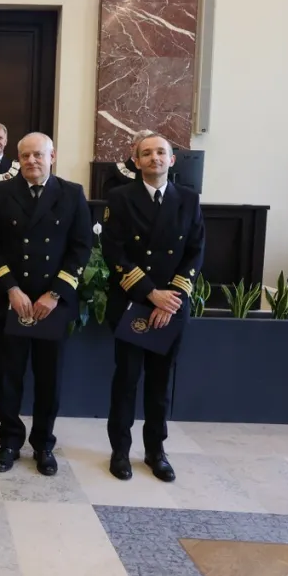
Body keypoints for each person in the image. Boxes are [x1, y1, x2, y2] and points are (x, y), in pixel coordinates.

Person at [0, 133, 92, 475]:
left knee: (49, 379)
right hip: (12, 300)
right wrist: (11, 289)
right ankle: (9, 442)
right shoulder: (1, 193)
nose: (31, 161)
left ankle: (43, 444)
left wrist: (55, 293)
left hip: (50, 304)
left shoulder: (71, 193)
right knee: (8, 378)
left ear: (52, 156)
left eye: (38, 155)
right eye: (25, 156)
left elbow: (81, 248)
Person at [102, 131, 204, 483]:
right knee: (126, 381)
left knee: (160, 384)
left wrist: (170, 298)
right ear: (136, 161)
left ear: (172, 160)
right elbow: (114, 252)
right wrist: (151, 293)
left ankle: (155, 451)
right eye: (146, 153)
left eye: (161, 152)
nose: (154, 158)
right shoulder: (119, 197)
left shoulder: (188, 199)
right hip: (133, 304)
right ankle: (120, 450)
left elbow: (195, 252)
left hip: (171, 307)